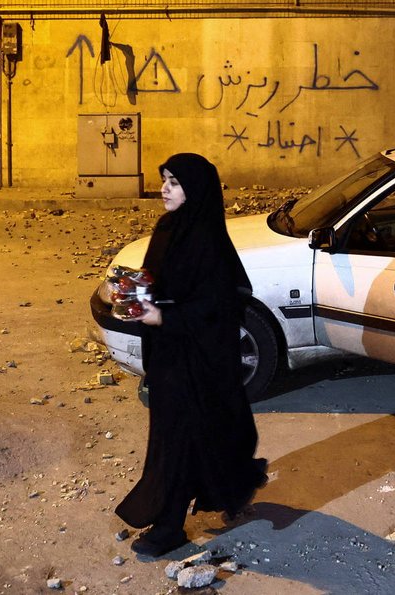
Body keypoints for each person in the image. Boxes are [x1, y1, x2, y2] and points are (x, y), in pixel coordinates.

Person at [116, 153, 268, 558]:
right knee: (190, 438)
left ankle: (169, 527)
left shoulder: (208, 241)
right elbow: (155, 280)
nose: (164, 189)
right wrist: (133, 294)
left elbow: (218, 307)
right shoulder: (168, 227)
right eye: (164, 180)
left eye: (175, 182)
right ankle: (235, 481)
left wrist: (165, 315)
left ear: (196, 190)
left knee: (177, 441)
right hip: (168, 355)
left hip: (198, 360)